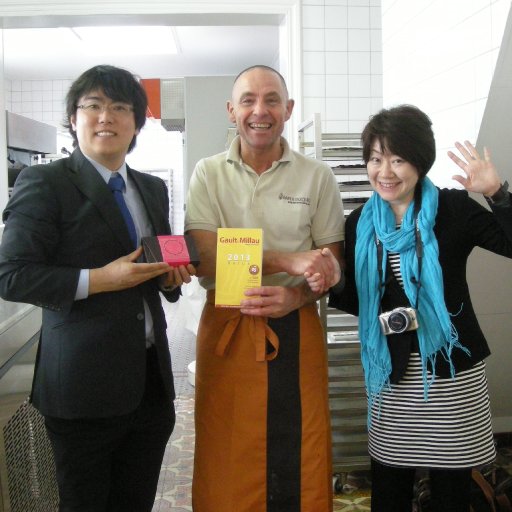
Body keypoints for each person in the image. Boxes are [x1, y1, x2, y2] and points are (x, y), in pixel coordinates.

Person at [0, 64, 195, 512]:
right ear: (74, 118)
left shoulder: (150, 188)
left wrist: (170, 278)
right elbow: (11, 273)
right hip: (81, 392)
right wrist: (99, 280)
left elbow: (157, 261)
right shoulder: (45, 183)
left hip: (149, 384)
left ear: (137, 123)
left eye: (120, 108)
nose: (106, 117)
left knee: (136, 500)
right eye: (93, 106)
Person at [309, 104, 512, 512]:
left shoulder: (453, 209)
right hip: (392, 375)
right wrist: (335, 281)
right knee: (389, 486)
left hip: (450, 372)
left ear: (420, 162)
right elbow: (356, 301)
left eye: (398, 159)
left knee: (451, 490)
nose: (385, 171)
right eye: (376, 158)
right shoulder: (360, 223)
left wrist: (496, 193)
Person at [185, 64, 344, 512]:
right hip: (227, 325)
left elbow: (331, 262)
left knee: (302, 446)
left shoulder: (317, 177)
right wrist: (285, 260)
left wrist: (298, 292)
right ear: (231, 110)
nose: (261, 110)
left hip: (297, 325)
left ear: (288, 109)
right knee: (225, 444)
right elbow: (203, 254)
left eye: (272, 99)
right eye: (249, 100)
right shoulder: (208, 173)